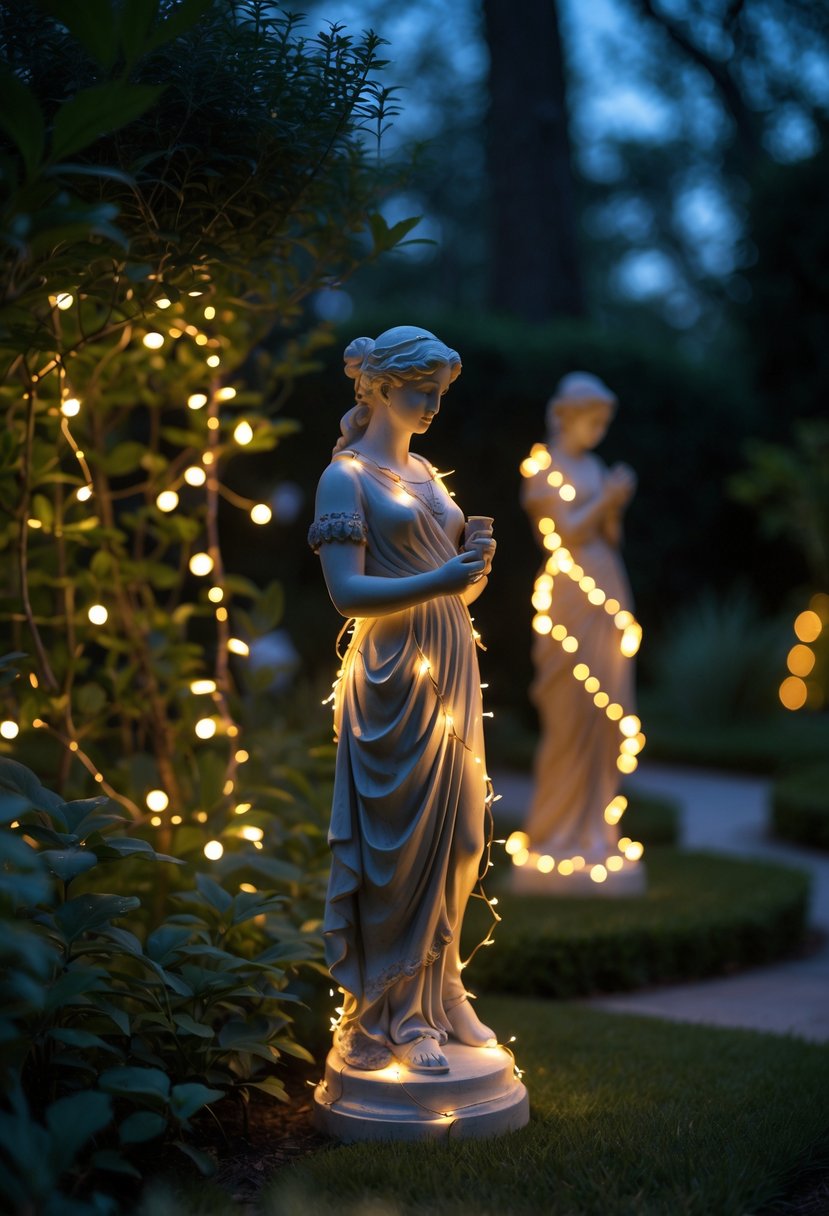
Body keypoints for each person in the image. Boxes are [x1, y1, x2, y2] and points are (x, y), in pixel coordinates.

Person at [308, 326, 498, 1074]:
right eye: (422, 389)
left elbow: (452, 578)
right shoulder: (344, 477)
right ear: (380, 386)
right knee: (396, 846)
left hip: (450, 661)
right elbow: (347, 595)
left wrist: (472, 572)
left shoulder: (424, 470)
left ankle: (443, 988)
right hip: (390, 673)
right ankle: (392, 1012)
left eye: (440, 392)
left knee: (461, 836)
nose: (432, 404)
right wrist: (442, 581)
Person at [519, 372, 642, 871]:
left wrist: (614, 505)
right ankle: (554, 831)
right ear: (565, 414)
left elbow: (607, 533)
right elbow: (563, 531)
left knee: (606, 714)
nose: (597, 431)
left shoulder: (593, 465)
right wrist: (609, 499)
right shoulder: (542, 467)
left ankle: (597, 828)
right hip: (570, 591)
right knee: (570, 714)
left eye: (603, 423)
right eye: (591, 420)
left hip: (607, 582)